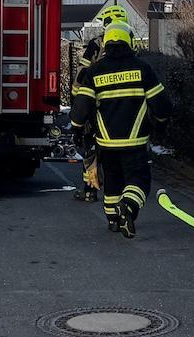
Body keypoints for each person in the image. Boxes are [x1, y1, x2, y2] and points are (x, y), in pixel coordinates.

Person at [69, 20, 165, 238]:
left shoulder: (95, 71)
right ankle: (128, 206)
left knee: (112, 179)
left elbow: (81, 107)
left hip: (106, 143)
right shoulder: (143, 68)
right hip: (135, 143)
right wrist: (161, 121)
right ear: (129, 41)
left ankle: (113, 219)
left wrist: (76, 128)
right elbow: (161, 105)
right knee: (139, 179)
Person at [71, 20, 105, 203]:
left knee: (91, 150)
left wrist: (76, 98)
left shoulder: (96, 44)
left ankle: (90, 190)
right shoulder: (131, 48)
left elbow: (82, 72)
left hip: (95, 107)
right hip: (124, 111)